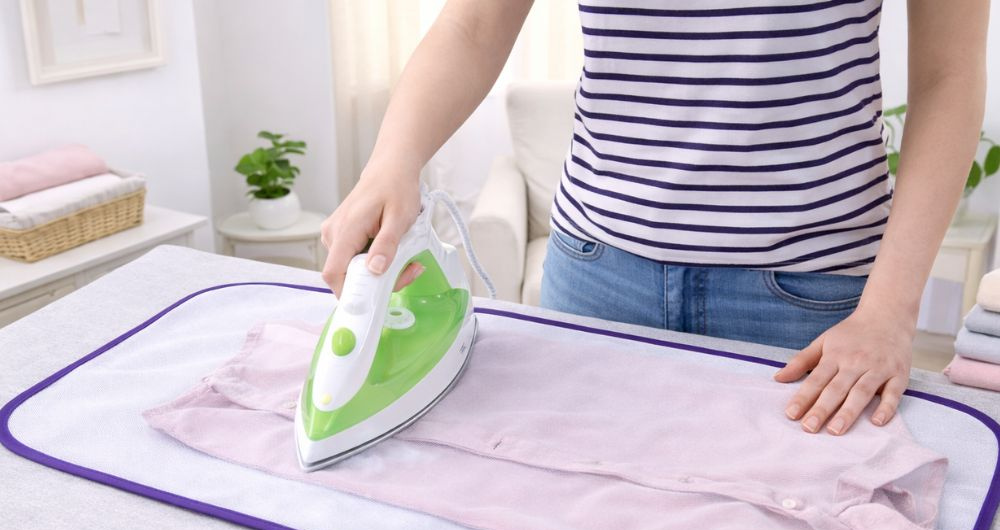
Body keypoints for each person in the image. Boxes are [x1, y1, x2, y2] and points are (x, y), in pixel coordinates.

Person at [319, 0, 989, 437]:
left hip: (810, 299)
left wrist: (890, 310)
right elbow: (474, 26)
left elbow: (948, 76)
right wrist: (390, 163)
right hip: (596, 275)